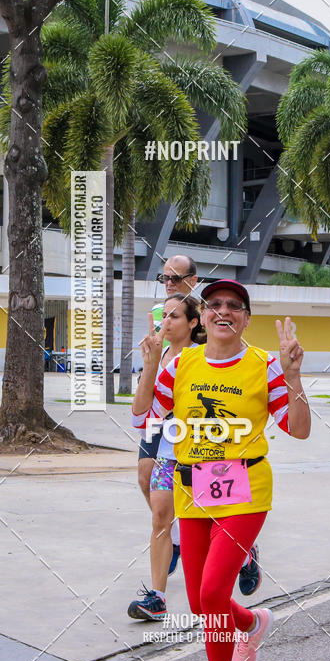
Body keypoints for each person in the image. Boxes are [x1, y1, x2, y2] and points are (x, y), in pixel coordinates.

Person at [132, 279, 311, 661]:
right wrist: (150, 368)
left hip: (245, 488)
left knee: (212, 593)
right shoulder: (184, 363)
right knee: (198, 602)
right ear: (204, 316)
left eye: (235, 305)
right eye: (215, 305)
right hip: (192, 489)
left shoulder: (264, 364)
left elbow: (300, 428)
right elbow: (143, 415)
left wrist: (293, 379)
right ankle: (250, 622)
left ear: (246, 318)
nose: (223, 311)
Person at [139, 254, 262, 597]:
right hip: (164, 428)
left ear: (193, 278)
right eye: (165, 278)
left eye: (176, 278)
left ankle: (241, 552)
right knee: (146, 481)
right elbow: (142, 413)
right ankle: (161, 588)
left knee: (206, 509)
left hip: (202, 440)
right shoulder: (164, 323)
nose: (170, 283)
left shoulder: (206, 329)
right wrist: (150, 365)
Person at [129, 294, 203, 619]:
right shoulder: (157, 356)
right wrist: (149, 365)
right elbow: (140, 415)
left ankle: (240, 560)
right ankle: (157, 598)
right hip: (169, 450)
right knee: (160, 515)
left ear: (193, 323)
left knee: (210, 525)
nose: (166, 321)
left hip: (207, 455)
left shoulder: (203, 357)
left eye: (175, 316)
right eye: (165, 315)